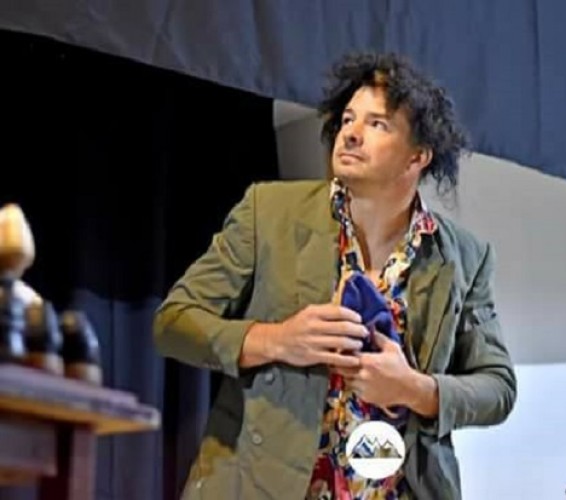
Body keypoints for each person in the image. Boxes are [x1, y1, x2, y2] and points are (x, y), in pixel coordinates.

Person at [153, 51, 517, 500]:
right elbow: (174, 322)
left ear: (417, 157)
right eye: (348, 119)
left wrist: (415, 389)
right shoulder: (268, 211)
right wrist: (277, 339)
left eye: (377, 124)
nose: (351, 133)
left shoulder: (464, 256)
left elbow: (498, 386)